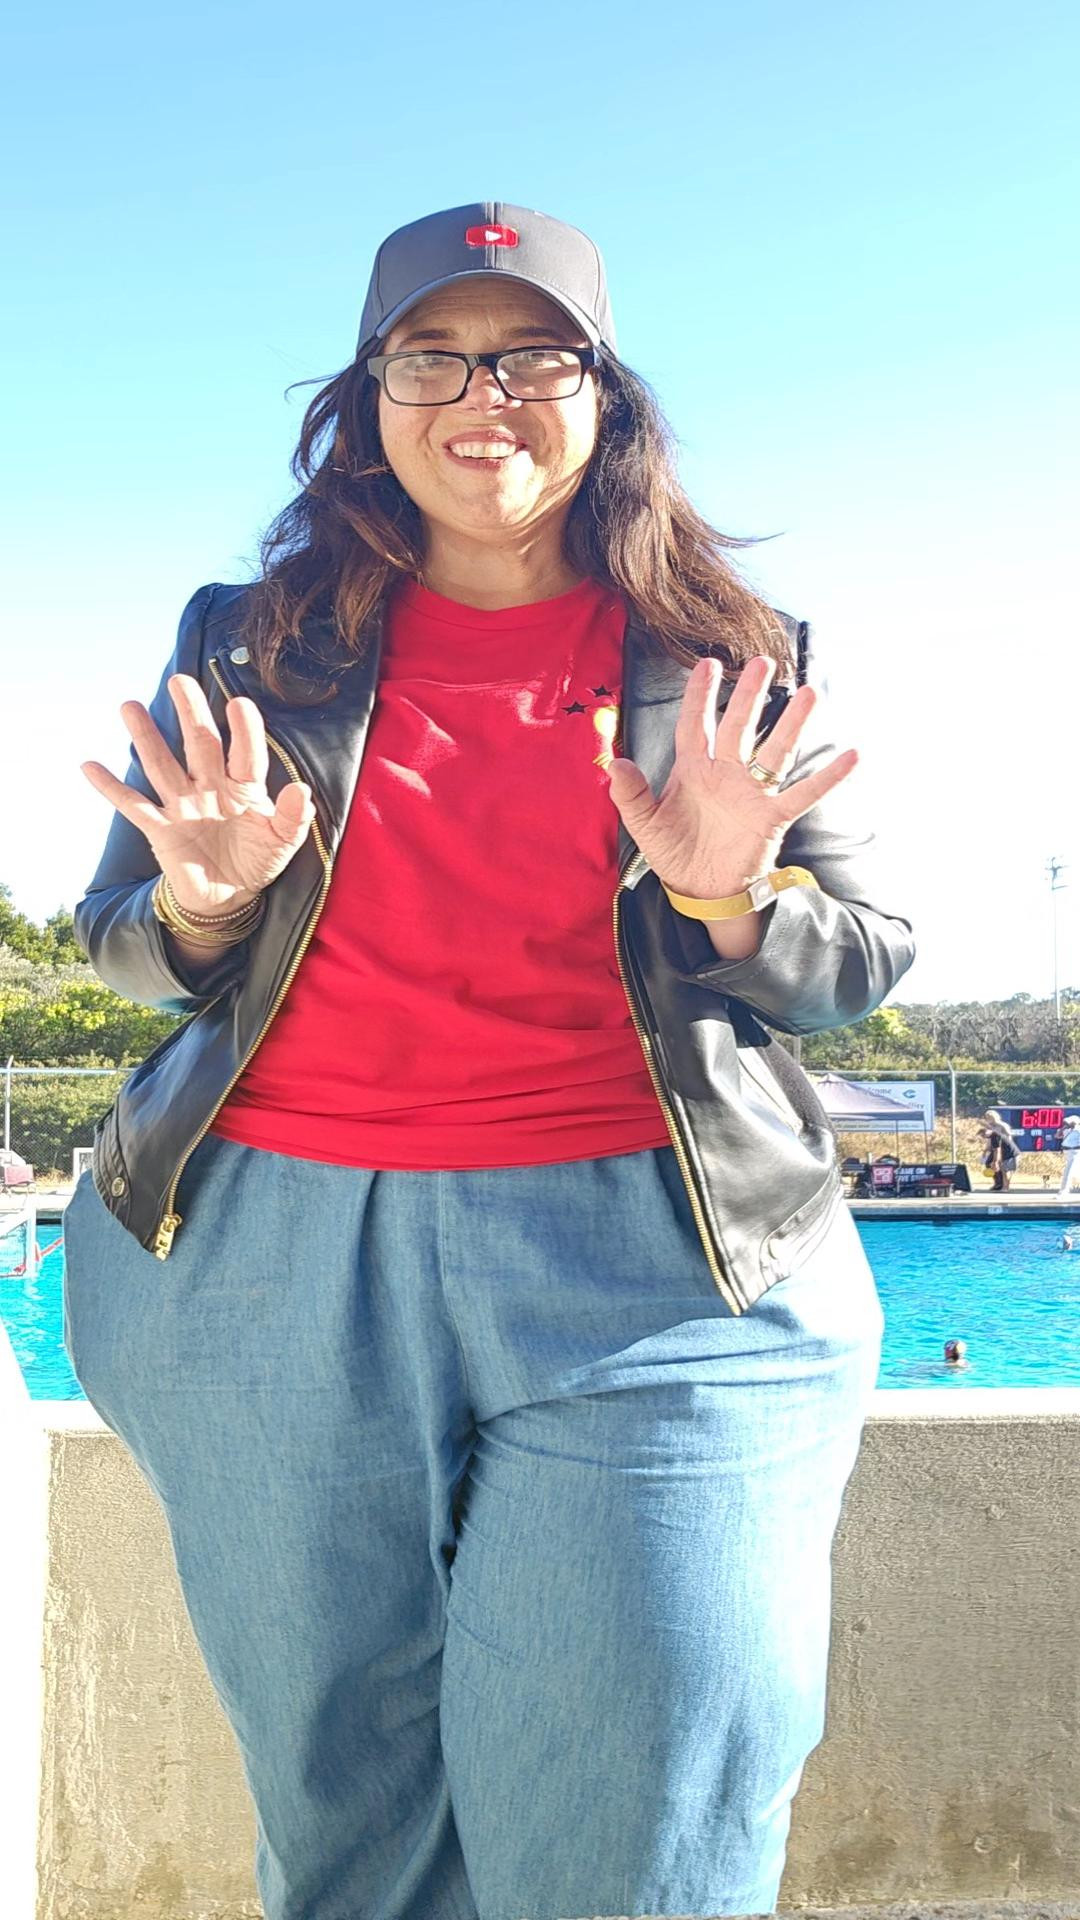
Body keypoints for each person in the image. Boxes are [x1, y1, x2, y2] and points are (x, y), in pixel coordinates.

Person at [62, 202, 915, 1920]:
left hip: (665, 1273)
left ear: (603, 395)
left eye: (533, 355)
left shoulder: (734, 655)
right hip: (260, 1269)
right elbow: (130, 946)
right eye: (433, 356)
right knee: (348, 1827)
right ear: (370, 398)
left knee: (644, 1829)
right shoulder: (248, 638)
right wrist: (207, 900)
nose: (485, 394)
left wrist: (723, 891)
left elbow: (862, 966)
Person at [982, 1110, 1019, 1192]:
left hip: (1004, 1148)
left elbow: (1008, 1138)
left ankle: (1005, 1185)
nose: (988, 1119)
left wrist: (997, 1159)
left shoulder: (1002, 1125)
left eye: (989, 1117)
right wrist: (986, 1150)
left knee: (1004, 1167)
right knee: (989, 1163)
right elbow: (991, 1141)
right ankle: (998, 1183)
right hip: (996, 1147)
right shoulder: (990, 1127)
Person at [1060, 1114, 1080, 1194]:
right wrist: (1063, 1128)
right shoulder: (1066, 1130)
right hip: (1067, 1152)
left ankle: (1063, 1191)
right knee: (1073, 1171)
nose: (1067, 1124)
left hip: (1075, 1152)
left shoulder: (1078, 1130)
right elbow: (1057, 1135)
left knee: (1068, 1171)